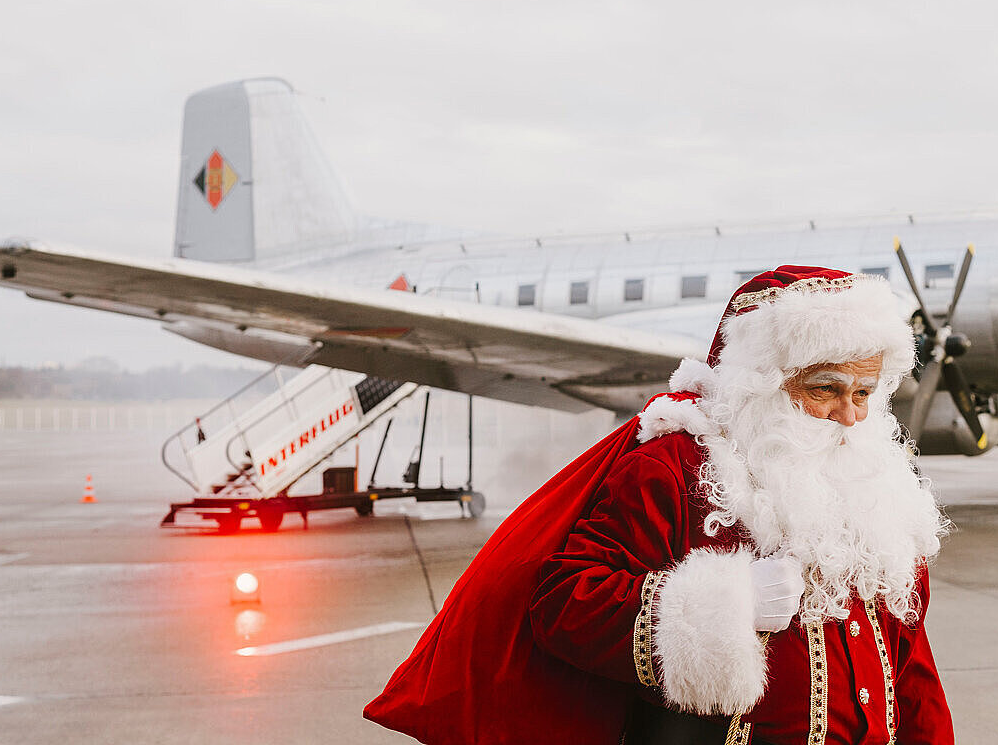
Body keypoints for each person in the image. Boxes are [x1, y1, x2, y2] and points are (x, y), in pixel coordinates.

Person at [366, 266, 955, 745]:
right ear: (760, 380)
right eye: (825, 389)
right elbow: (565, 603)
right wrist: (727, 603)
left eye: (864, 393)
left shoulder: (875, 481)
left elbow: (912, 664)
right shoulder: (673, 466)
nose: (851, 417)